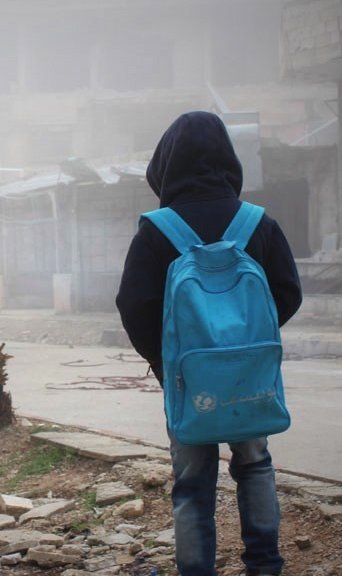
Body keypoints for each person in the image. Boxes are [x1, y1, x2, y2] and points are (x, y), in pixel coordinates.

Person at [116, 111, 302, 576]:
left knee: (192, 479)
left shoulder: (158, 230)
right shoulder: (257, 223)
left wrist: (168, 363)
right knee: (255, 464)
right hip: (249, 377)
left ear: (167, 163)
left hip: (188, 380)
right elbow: (288, 292)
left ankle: (196, 570)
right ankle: (264, 565)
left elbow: (133, 306)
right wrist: (247, 341)